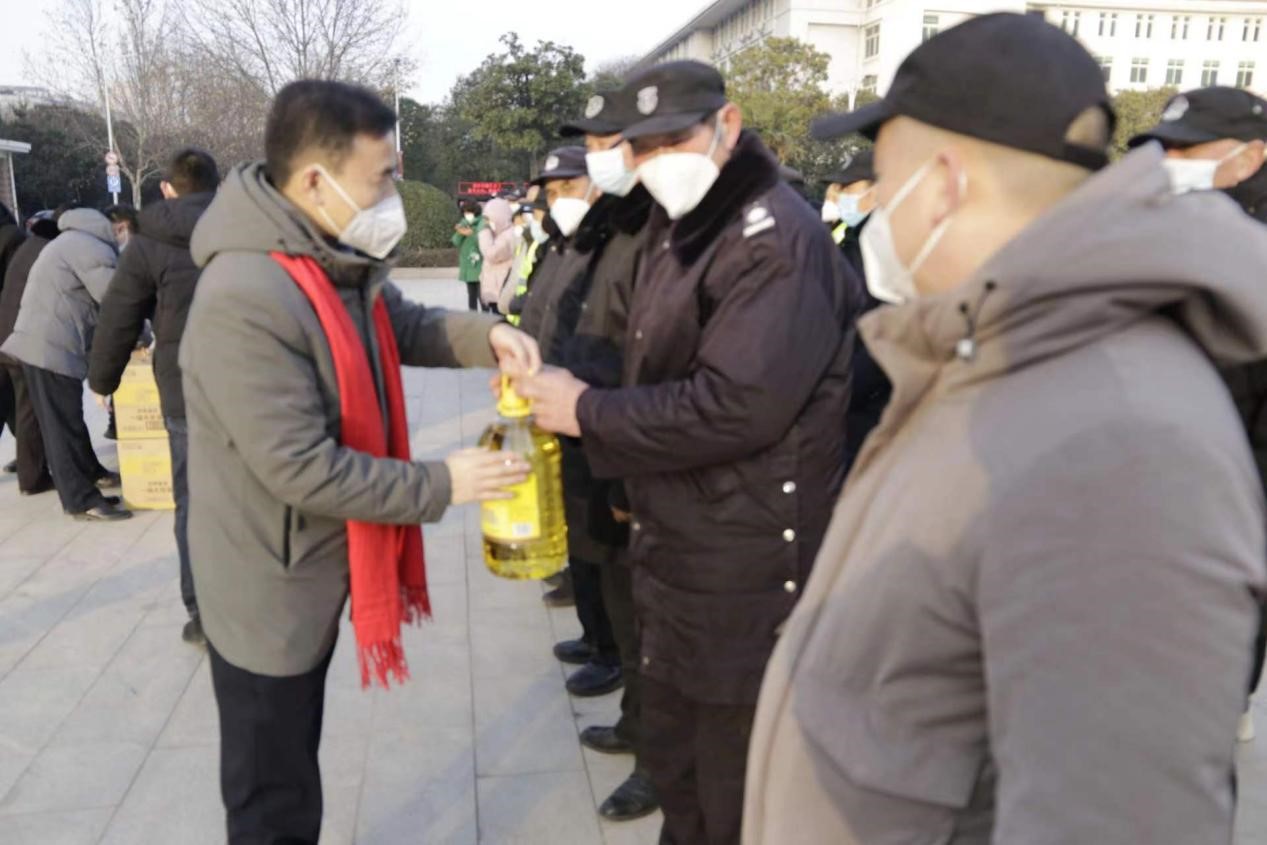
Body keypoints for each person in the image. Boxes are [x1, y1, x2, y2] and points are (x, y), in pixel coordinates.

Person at [742, 15, 1267, 844]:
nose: (874, 209)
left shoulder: (1115, 443)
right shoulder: (991, 353)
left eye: (883, 180)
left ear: (942, 184)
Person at [180, 79, 541, 845]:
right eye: (380, 178)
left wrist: (489, 337)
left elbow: (398, 321)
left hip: (308, 557)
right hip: (264, 582)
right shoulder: (247, 292)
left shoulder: (322, 255)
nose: (391, 197)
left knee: (292, 761)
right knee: (271, 791)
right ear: (316, 180)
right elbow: (300, 466)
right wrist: (443, 482)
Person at [518, 60, 857, 845]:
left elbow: (737, 404)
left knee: (728, 777)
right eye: (642, 146)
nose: (656, 159)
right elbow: (655, 359)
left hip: (745, 551)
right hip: (679, 533)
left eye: (674, 138)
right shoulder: (687, 220)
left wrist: (588, 411)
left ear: (725, 126)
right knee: (679, 765)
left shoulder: (772, 237)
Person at [1129, 86, 1267, 745]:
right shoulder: (1156, 226)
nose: (1171, 162)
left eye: (1189, 149)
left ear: (1252, 156)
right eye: (1165, 148)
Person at [554, 85, 661, 821]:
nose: (598, 157)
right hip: (595, 437)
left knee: (650, 621)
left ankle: (658, 759)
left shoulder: (663, 227)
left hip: (632, 450)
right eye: (589, 145)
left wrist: (623, 472)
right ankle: (635, 723)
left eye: (608, 143)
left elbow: (650, 357)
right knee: (622, 604)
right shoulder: (614, 223)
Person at [88, 147, 222, 647]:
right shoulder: (246, 227)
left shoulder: (147, 241)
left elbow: (119, 314)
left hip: (185, 389)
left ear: (167, 188)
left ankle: (204, 614)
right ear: (216, 185)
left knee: (194, 500)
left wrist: (102, 380)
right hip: (250, 386)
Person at [519, 145, 624, 699]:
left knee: (599, 541)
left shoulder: (609, 245)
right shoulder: (566, 244)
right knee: (577, 532)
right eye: (552, 192)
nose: (559, 200)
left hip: (590, 410)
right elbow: (540, 319)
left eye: (569, 188)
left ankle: (612, 651)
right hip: (554, 406)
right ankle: (593, 634)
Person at [0, 207, 128, 521]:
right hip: (51, 348)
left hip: (39, 343)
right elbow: (117, 301)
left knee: (62, 424)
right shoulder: (90, 247)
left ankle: (83, 490)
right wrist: (142, 334)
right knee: (62, 427)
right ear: (116, 227)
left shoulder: (70, 241)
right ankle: (81, 500)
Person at [816, 150, 890, 476]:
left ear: (877, 190)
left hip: (866, 406)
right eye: (836, 188)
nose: (837, 196)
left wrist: (839, 390)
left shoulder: (887, 248)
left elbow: (881, 331)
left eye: (848, 188)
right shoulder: (847, 237)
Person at [0, 212, 56, 495]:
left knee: (14, 404)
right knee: (25, 404)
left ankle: (29, 463)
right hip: (11, 329)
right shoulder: (12, 238)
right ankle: (32, 471)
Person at [477, 196, 516, 314]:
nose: (487, 223)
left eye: (489, 219)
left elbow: (491, 254)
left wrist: (484, 232)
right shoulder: (499, 234)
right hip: (495, 289)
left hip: (501, 290)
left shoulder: (509, 235)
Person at [452, 200, 483, 310]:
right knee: (471, 296)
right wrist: (460, 232)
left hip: (479, 265)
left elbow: (482, 241)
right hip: (468, 265)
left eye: (469, 212)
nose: (467, 215)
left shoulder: (481, 223)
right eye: (465, 212)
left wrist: (471, 233)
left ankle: (486, 317)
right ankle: (473, 316)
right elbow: (455, 241)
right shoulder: (463, 223)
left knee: (482, 296)